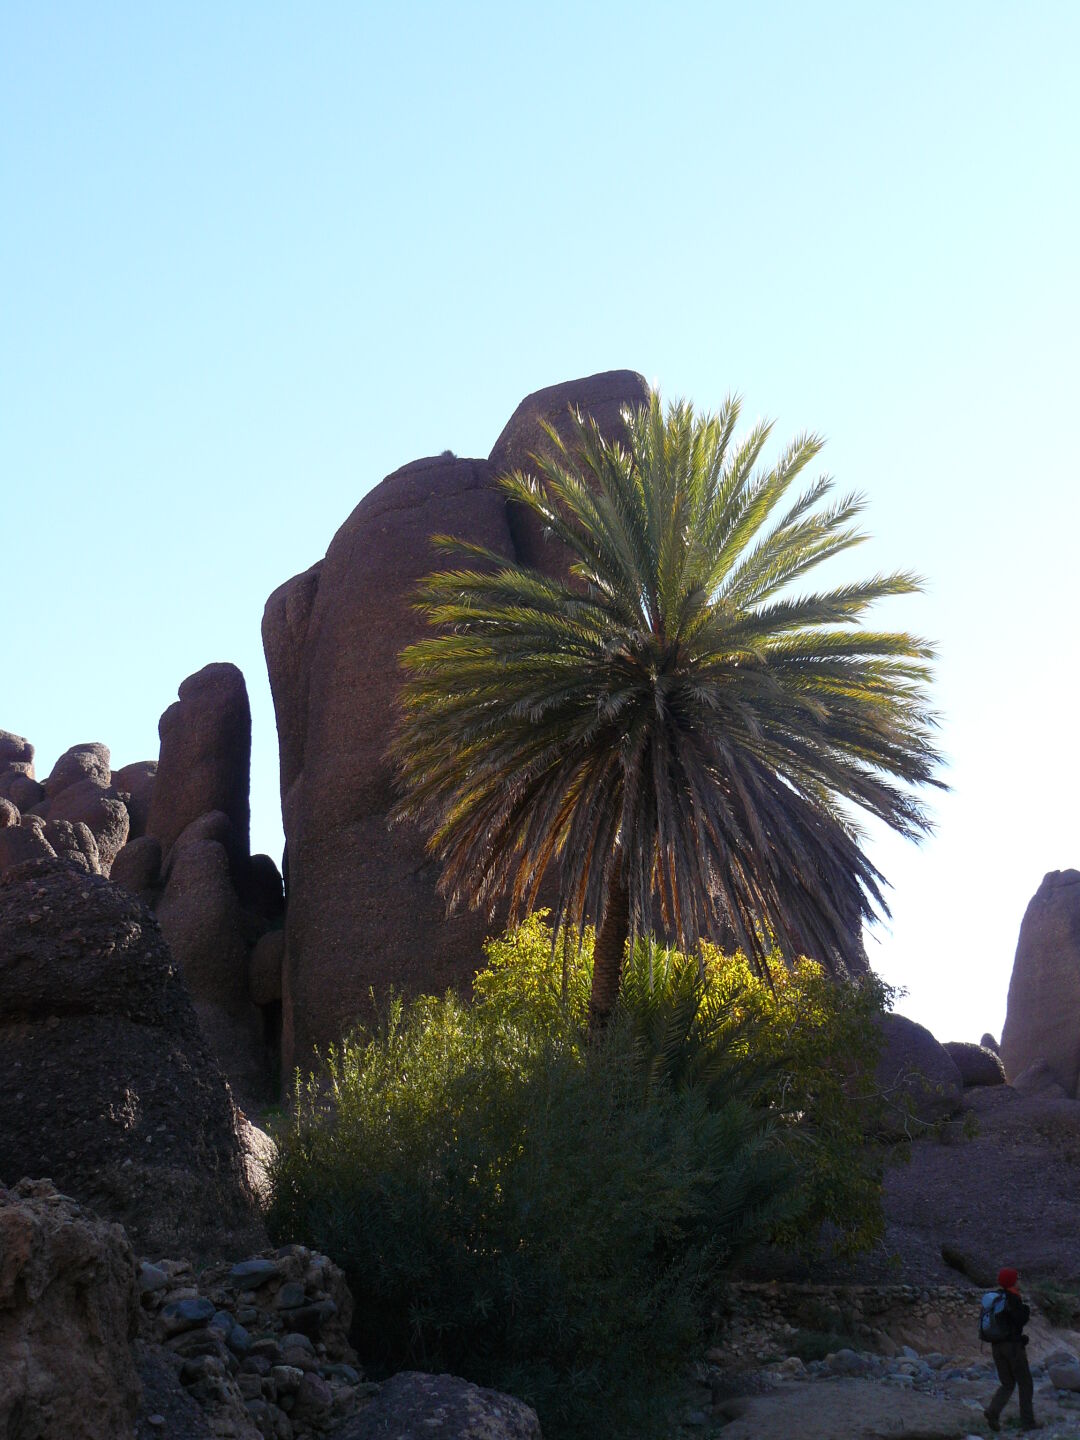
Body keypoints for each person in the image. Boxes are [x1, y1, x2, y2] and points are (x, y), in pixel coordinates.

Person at [984, 1266, 1040, 1432]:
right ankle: (1028, 1423)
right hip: (1013, 1348)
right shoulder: (1012, 1298)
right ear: (1012, 1281)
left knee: (1007, 1384)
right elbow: (1019, 1320)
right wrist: (1026, 1310)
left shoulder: (995, 1299)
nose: (1019, 1281)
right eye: (1016, 1278)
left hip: (996, 1347)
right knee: (1026, 1383)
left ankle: (993, 1411)